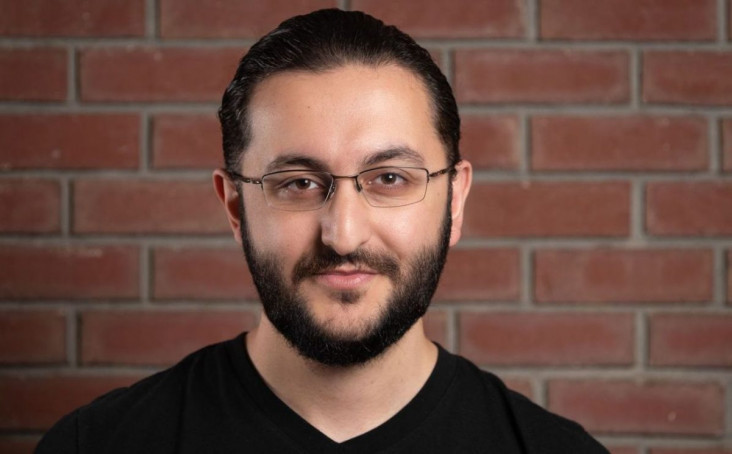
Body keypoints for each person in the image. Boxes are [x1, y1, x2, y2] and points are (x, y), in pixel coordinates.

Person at [36, 9, 608, 453]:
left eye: (389, 178)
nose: (343, 235)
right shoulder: (97, 446)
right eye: (299, 184)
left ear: (454, 200)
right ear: (235, 206)